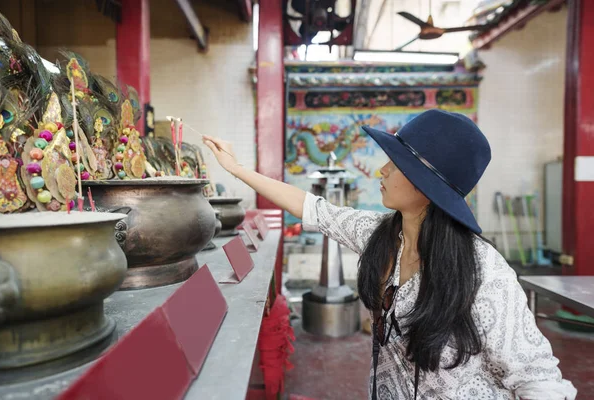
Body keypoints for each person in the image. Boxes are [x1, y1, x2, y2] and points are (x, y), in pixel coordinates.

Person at [203, 109, 576, 400]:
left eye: (395, 164)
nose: (381, 170)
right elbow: (312, 207)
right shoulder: (381, 236)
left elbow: (538, 379)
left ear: (425, 183)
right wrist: (236, 170)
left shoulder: (483, 272)